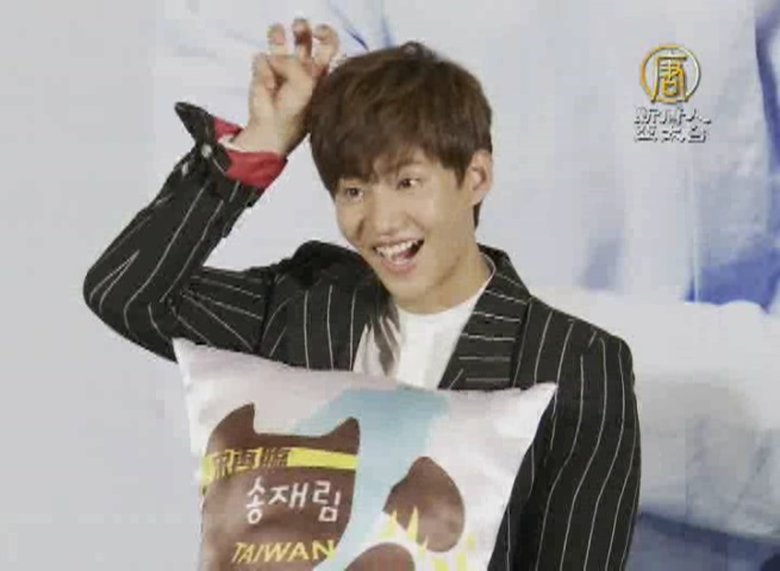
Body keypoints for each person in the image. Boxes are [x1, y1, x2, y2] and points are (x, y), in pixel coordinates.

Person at [83, 18, 640, 570]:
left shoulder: (575, 361)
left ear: (475, 177)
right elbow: (127, 293)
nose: (381, 221)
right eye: (353, 190)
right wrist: (261, 145)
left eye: (407, 182)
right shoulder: (303, 303)